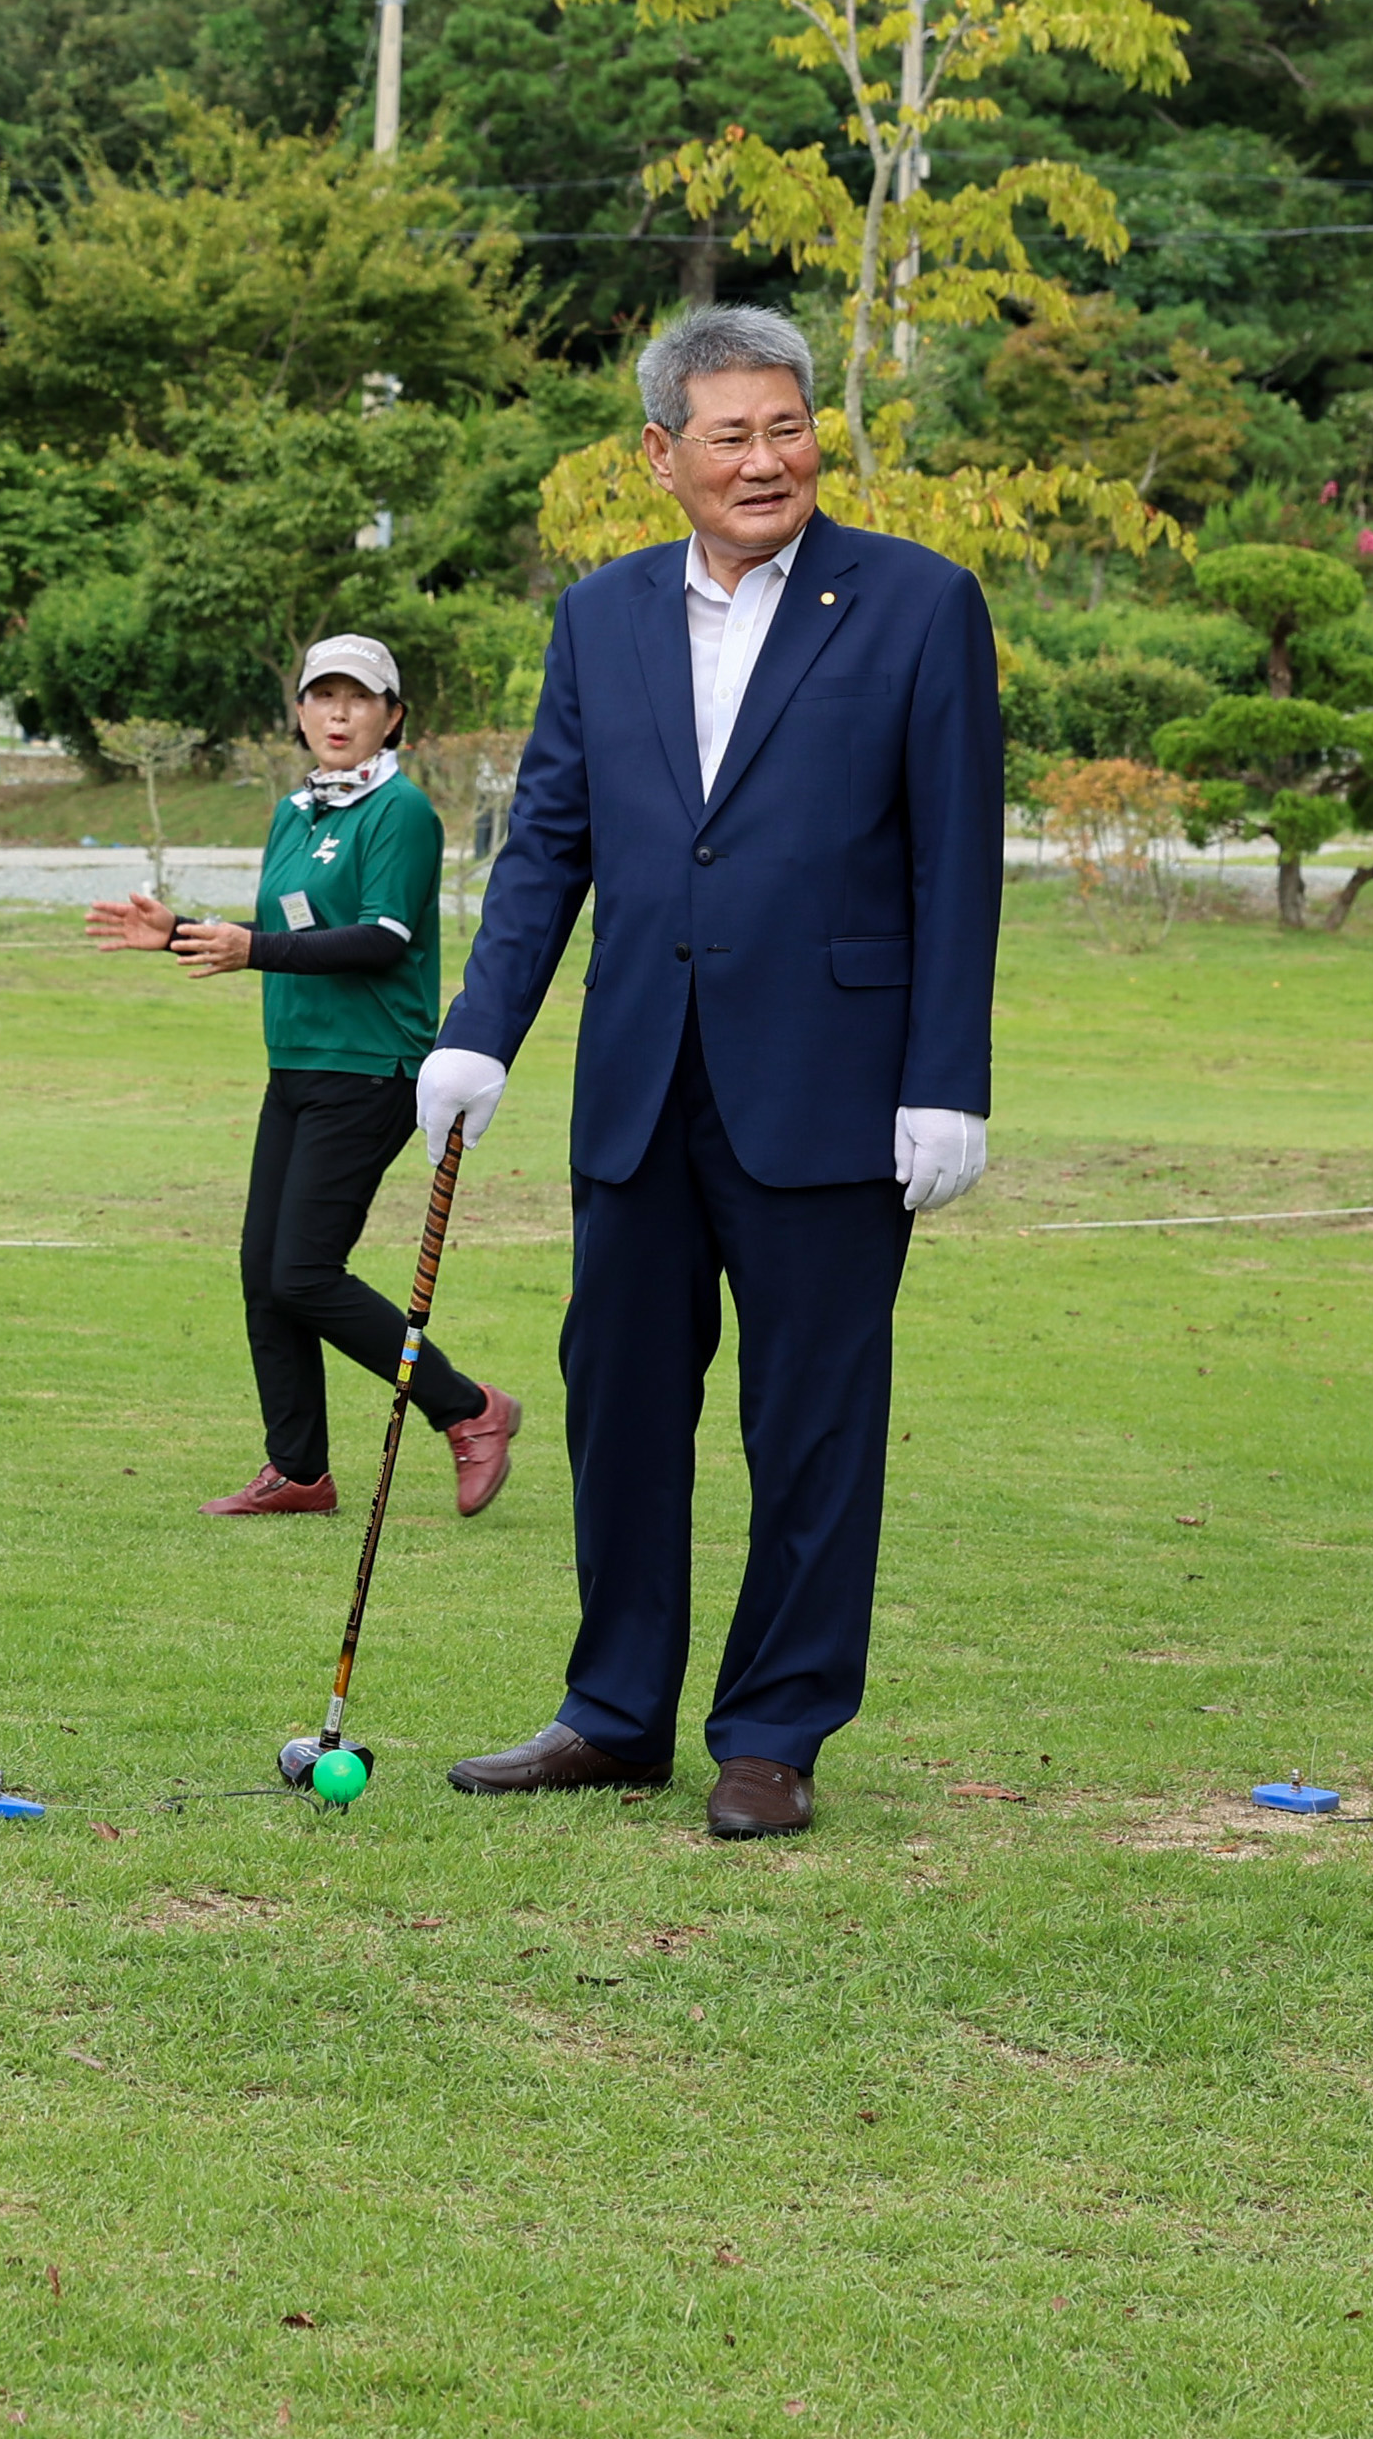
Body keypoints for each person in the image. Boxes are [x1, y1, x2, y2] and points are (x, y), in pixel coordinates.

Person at [411, 307, 1000, 1841]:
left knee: (810, 1422)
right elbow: (546, 845)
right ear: (662, 454)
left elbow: (958, 862)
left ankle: (775, 1731)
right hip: (638, 1083)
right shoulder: (602, 617)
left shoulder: (920, 604)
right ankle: (614, 1714)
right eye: (730, 435)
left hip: (833, 1084)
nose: (767, 459)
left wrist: (947, 1082)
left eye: (788, 427)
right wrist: (481, 1026)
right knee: (617, 1406)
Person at [91, 635, 518, 1523]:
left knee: (304, 1273)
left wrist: (252, 950)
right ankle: (298, 1471)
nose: (336, 713)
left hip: (371, 1068)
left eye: (357, 699)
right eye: (320, 696)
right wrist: (181, 931)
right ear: (297, 712)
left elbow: (381, 938)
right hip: (296, 1067)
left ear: (392, 716)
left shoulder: (400, 812)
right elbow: (283, 928)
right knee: (264, 1271)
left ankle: (469, 1409)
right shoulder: (299, 813)